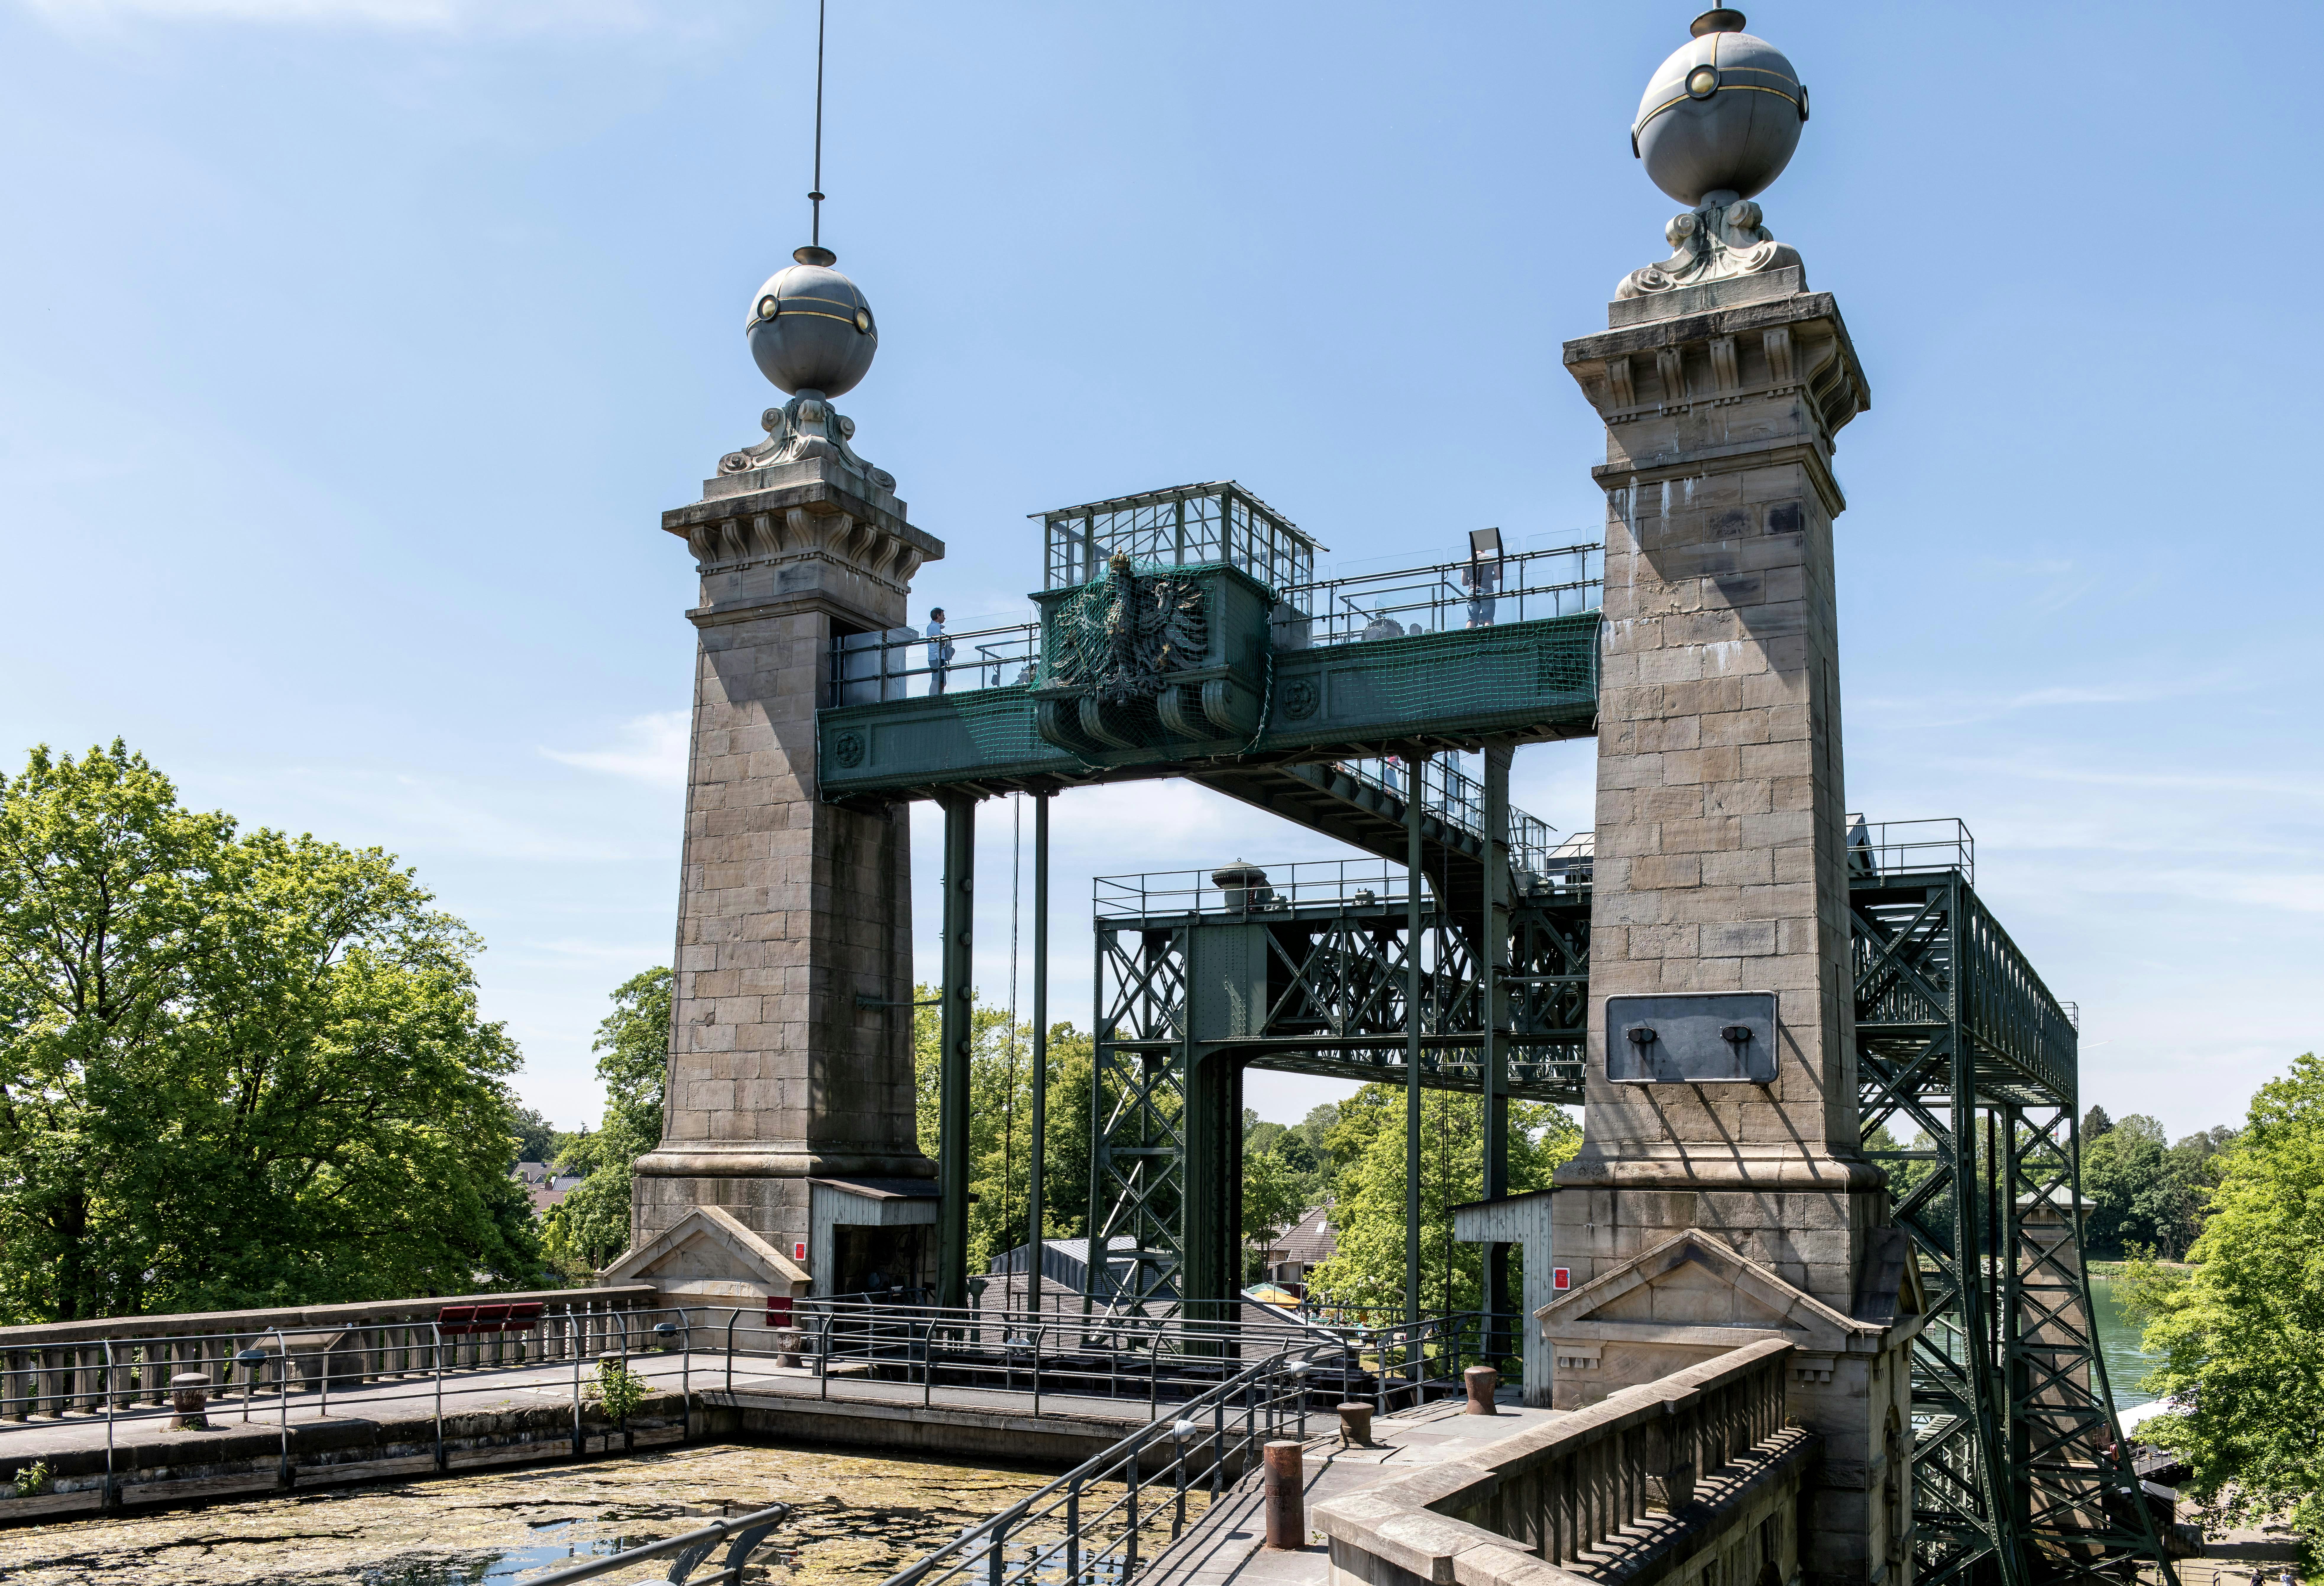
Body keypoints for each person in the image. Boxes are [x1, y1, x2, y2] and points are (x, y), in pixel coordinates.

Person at [1465, 552, 1501, 627]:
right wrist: (1490, 578)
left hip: (1472, 592)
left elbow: (1464, 582)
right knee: (1488, 619)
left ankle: (1467, 638)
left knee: (1471, 619)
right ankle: (1488, 638)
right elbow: (1499, 575)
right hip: (1486, 591)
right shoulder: (1490, 557)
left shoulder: (1467, 562)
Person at [925, 607, 953, 694]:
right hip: (937, 657)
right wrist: (948, 641)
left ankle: (938, 696)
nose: (944, 618)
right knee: (937, 679)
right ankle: (933, 697)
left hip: (939, 657)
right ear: (938, 616)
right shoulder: (934, 627)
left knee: (942, 681)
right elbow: (944, 641)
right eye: (943, 616)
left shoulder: (934, 627)